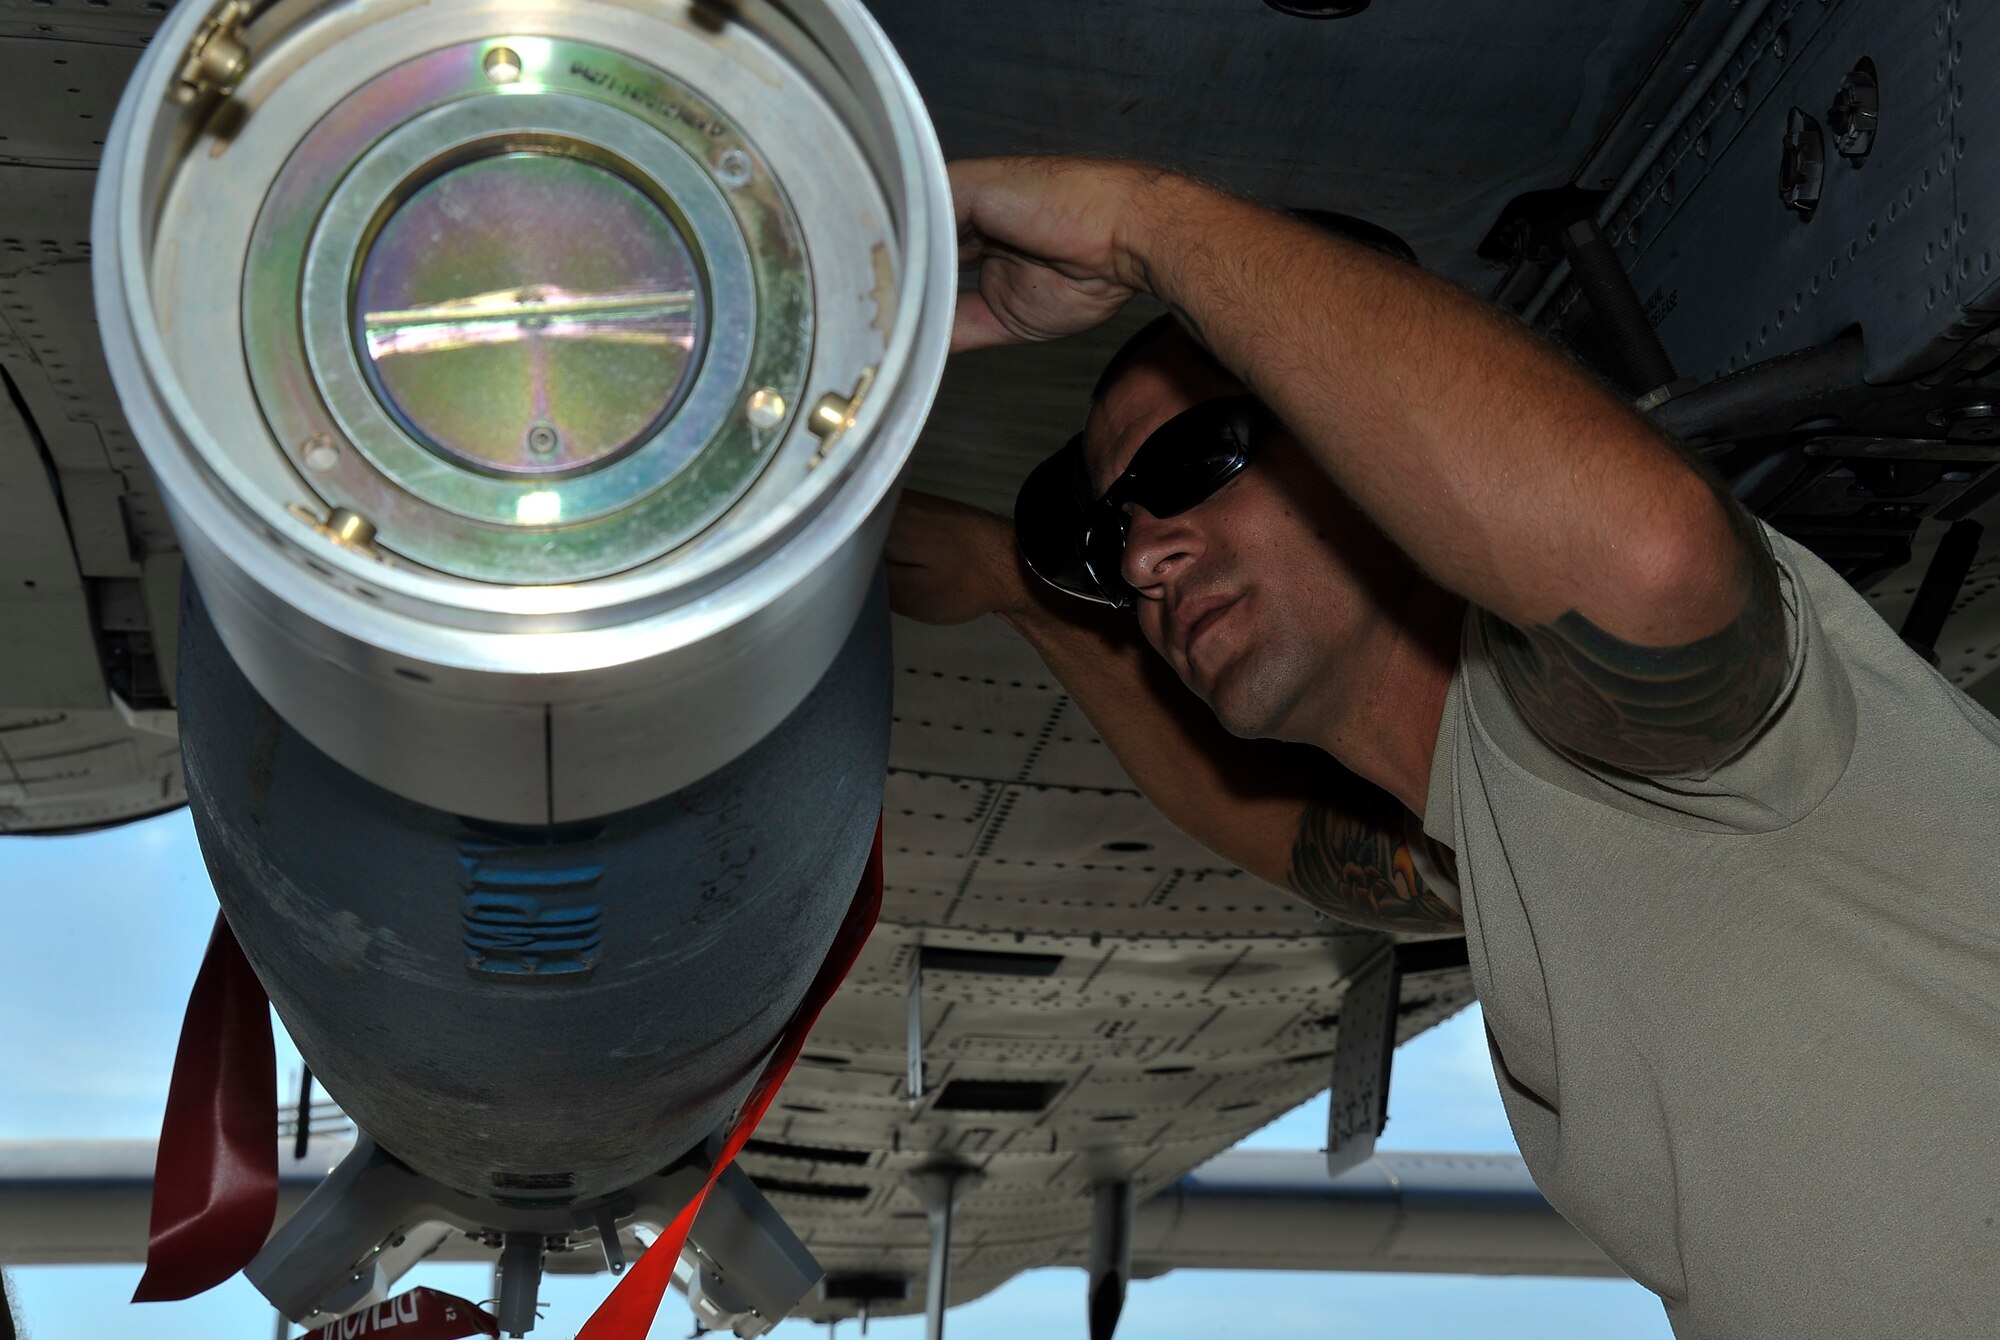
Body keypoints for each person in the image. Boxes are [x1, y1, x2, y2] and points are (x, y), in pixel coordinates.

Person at [887, 156, 2000, 1339]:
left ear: (1351, 435)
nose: (1145, 556)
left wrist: (1138, 229)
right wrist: (1012, 577)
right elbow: (1291, 841)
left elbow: (1655, 553)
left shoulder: (1621, 735)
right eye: (1114, 541)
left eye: (1189, 463)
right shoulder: (1505, 834)